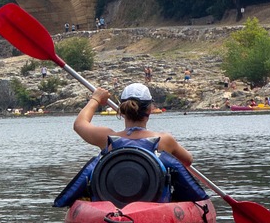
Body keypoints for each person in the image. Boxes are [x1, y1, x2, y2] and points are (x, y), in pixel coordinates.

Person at [61, 83, 203, 206]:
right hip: (153, 202)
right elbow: (187, 160)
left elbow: (79, 124)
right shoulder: (164, 140)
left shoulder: (107, 138)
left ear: (122, 110)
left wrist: (96, 98)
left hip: (113, 202)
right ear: (149, 110)